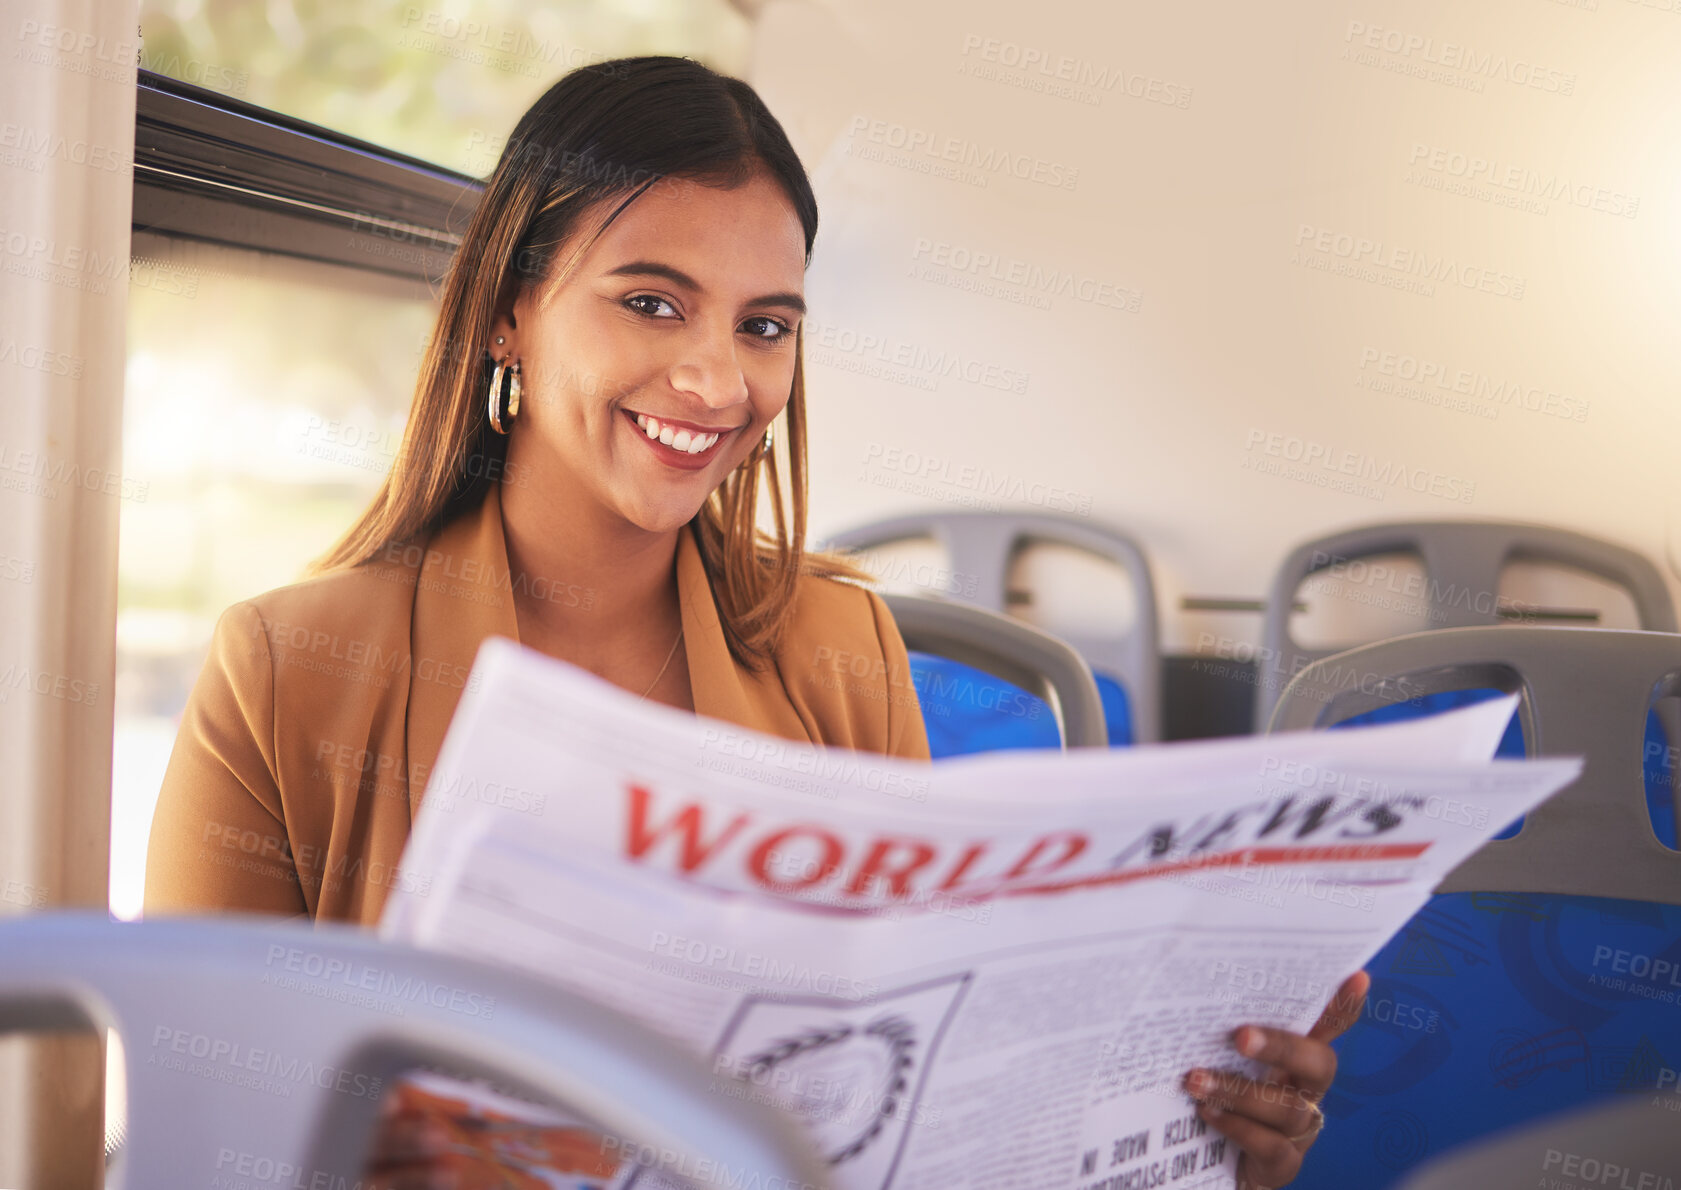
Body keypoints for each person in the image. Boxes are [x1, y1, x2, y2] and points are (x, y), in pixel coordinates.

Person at [143, 55, 1364, 1190]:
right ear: (509, 313)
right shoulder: (286, 668)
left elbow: (927, 1102)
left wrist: (1204, 1136)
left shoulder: (839, 645)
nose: (719, 383)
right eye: (653, 303)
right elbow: (197, 1128)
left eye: (763, 325)